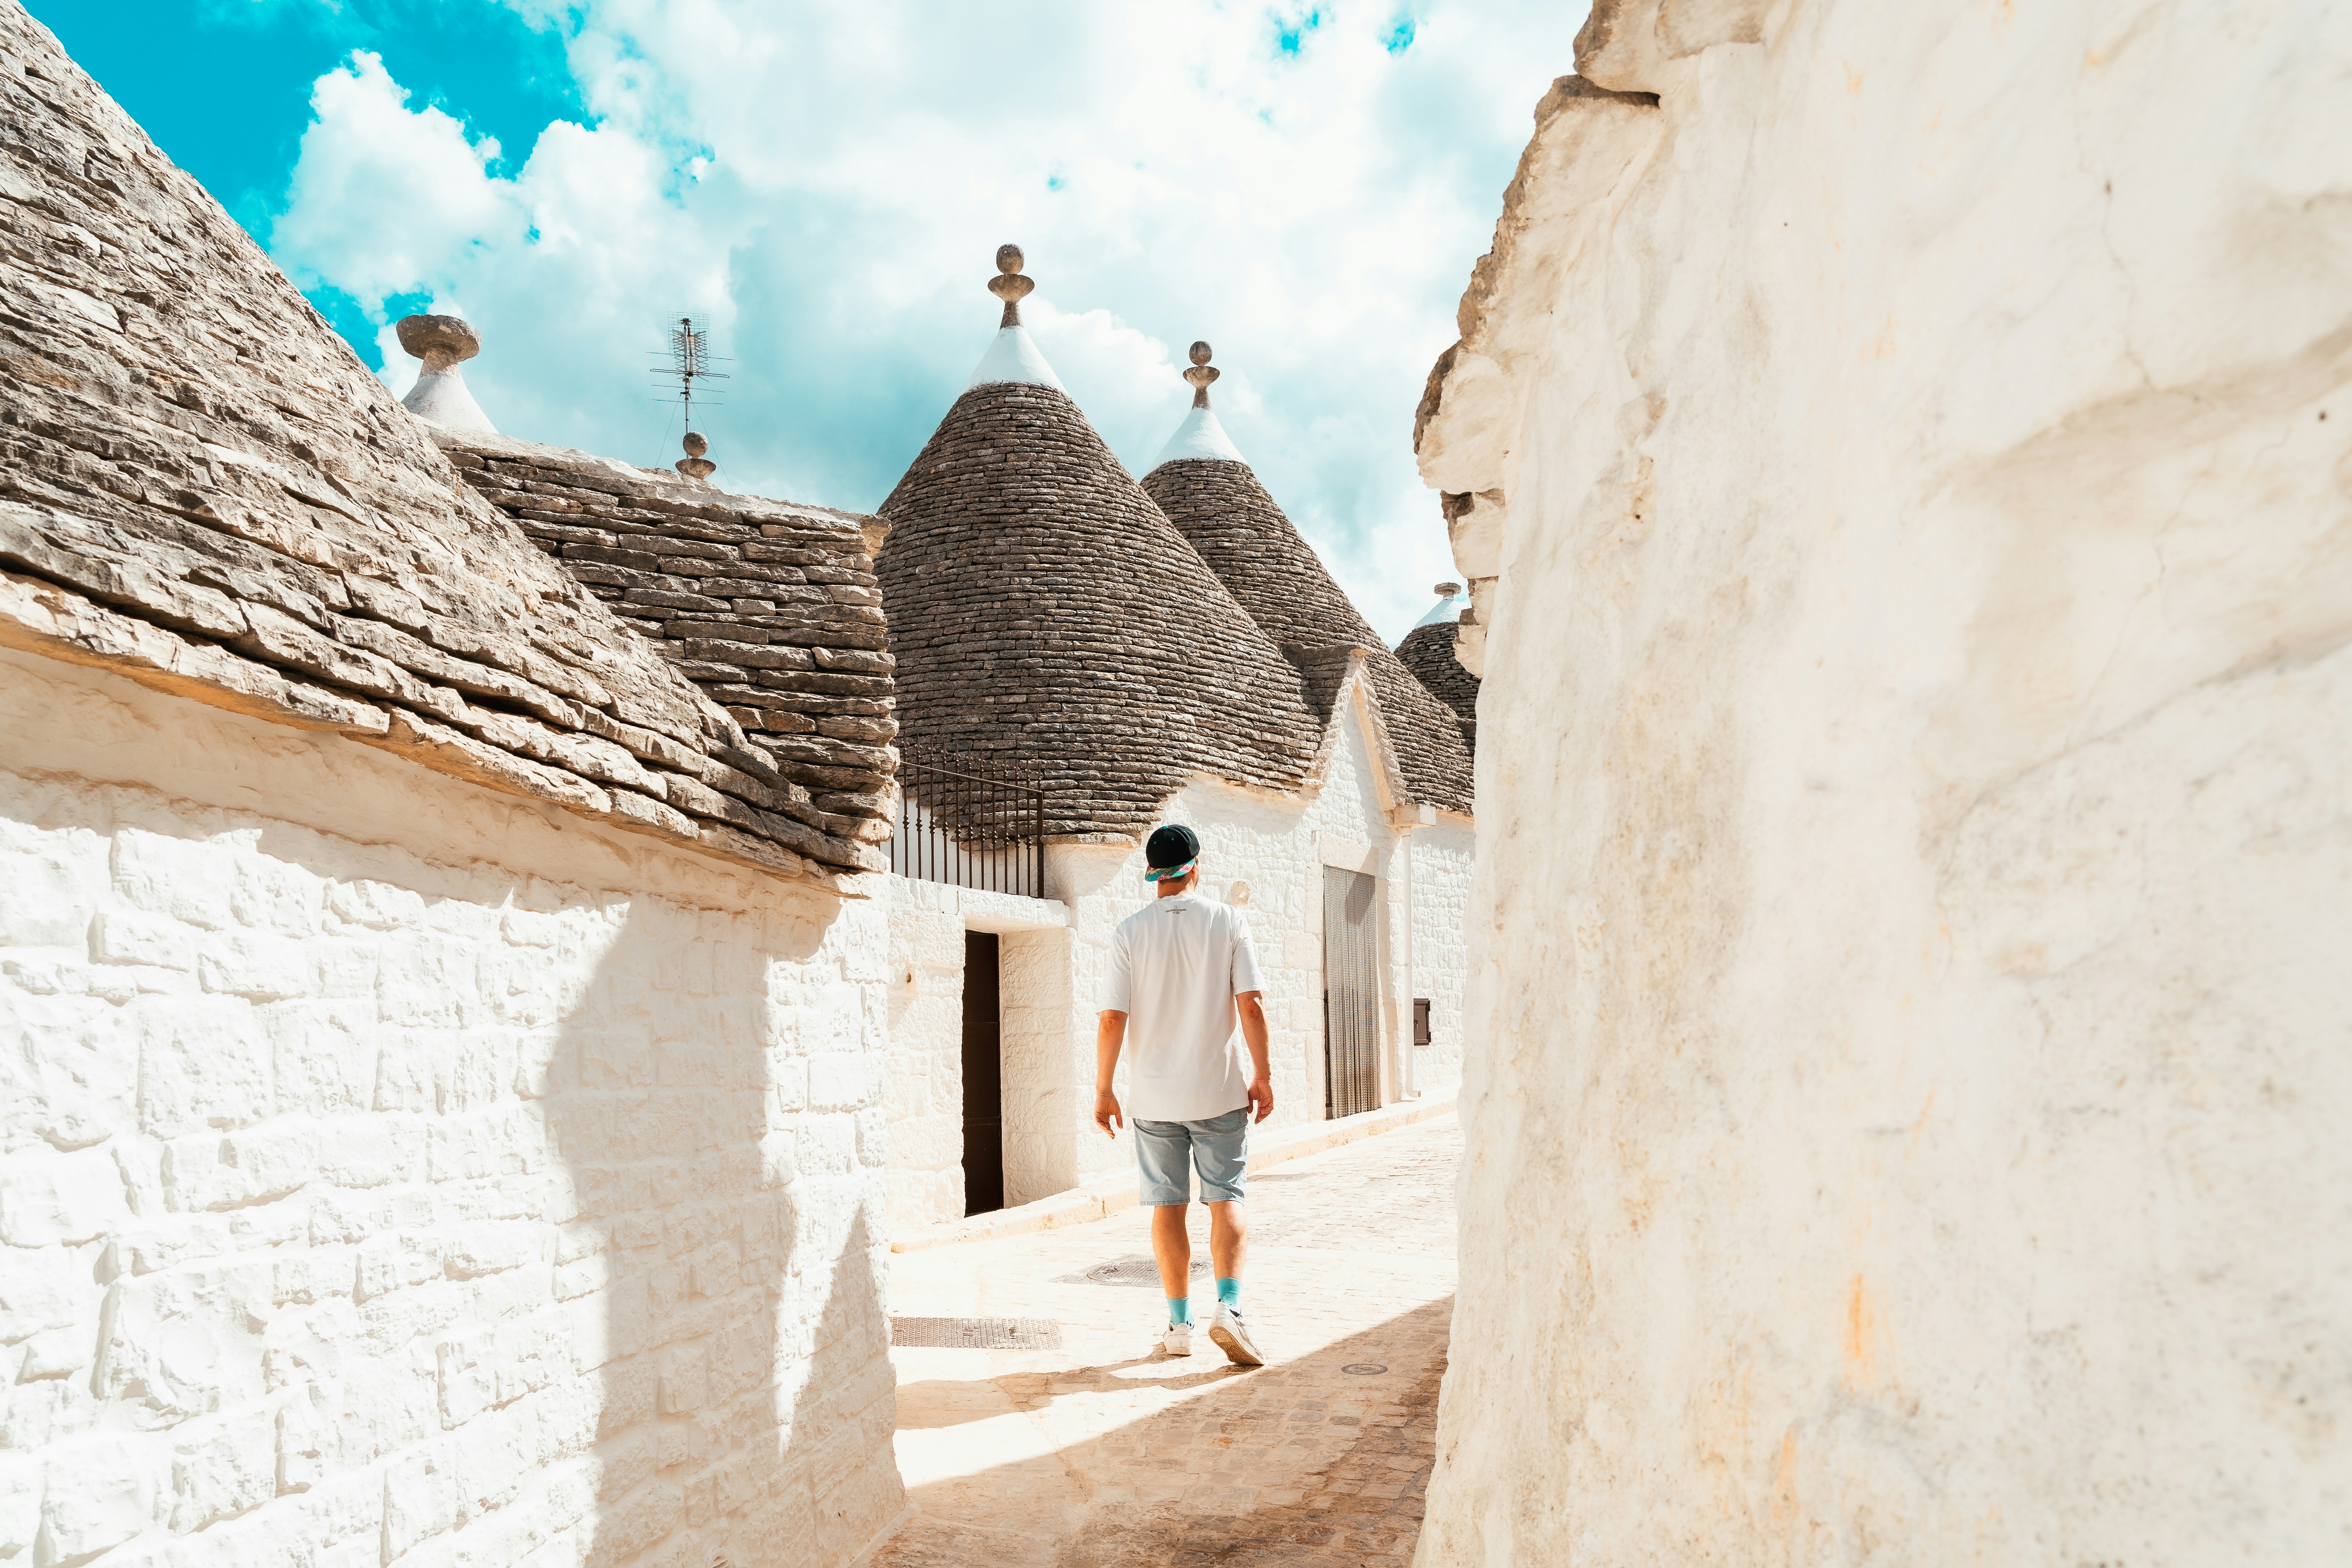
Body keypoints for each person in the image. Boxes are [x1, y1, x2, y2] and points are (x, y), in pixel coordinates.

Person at [1094, 823, 1273, 1366]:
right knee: (1227, 1199)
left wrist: (1104, 1089)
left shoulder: (1130, 932)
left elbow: (1111, 1019)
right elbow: (1251, 1004)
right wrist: (1263, 1075)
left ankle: (1178, 1327)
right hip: (1217, 1091)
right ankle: (1230, 1309)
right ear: (1196, 866)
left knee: (1166, 1209)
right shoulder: (1226, 920)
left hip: (1153, 1101)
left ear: (1153, 874)